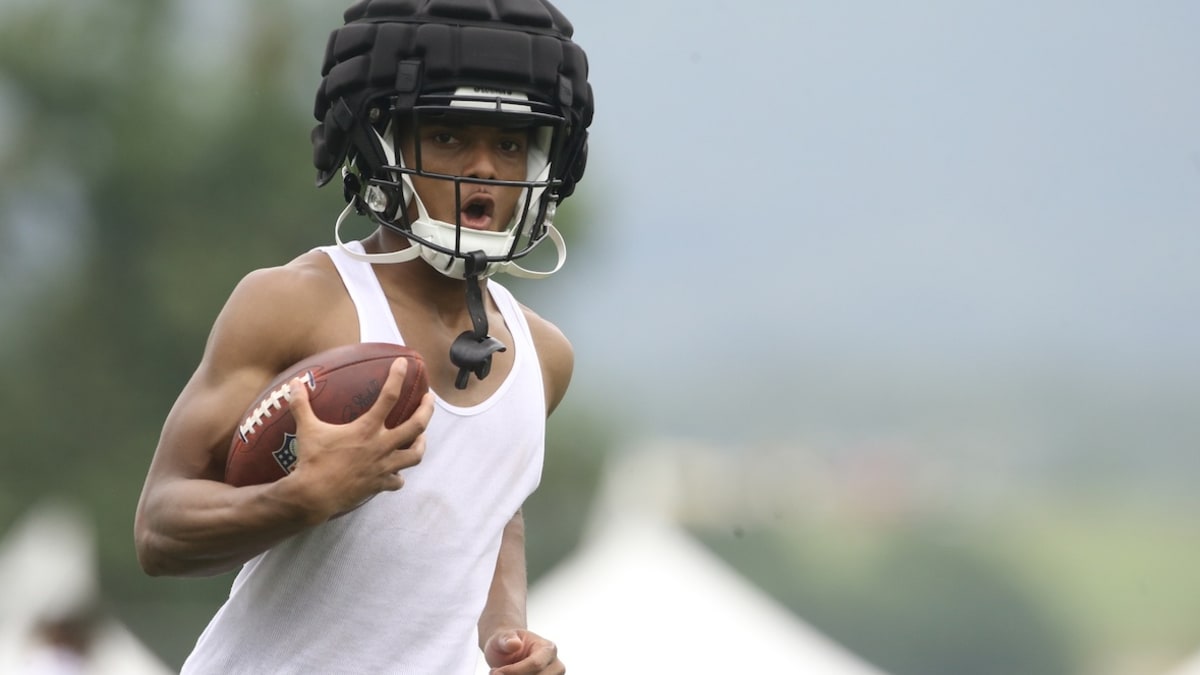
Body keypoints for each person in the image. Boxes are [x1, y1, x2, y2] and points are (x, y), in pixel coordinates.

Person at [133, 0, 594, 672]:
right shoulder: (293, 303)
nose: (486, 168)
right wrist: (297, 498)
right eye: (447, 136)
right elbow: (158, 529)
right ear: (379, 141)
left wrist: (507, 638)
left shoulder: (545, 356)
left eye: (510, 142)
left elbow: (494, 516)